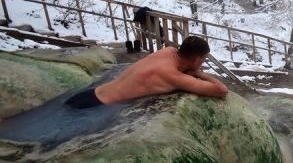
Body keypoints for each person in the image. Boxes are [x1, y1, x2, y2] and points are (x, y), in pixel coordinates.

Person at [65, 36, 228, 109]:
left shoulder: (168, 51)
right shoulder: (174, 76)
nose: (202, 64)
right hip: (93, 106)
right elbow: (221, 91)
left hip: (88, 94)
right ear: (195, 60)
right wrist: (200, 74)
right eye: (203, 60)